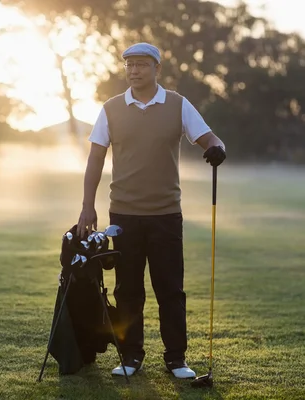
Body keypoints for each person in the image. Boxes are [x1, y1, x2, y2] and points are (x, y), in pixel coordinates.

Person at [76, 42, 226, 379]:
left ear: (157, 68)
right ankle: (131, 357)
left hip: (166, 215)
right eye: (129, 64)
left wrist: (217, 150)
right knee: (127, 290)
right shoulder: (111, 109)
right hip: (124, 216)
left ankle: (176, 359)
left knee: (170, 289)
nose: (134, 70)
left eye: (141, 64)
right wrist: (88, 206)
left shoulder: (178, 105)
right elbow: (95, 158)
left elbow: (211, 140)